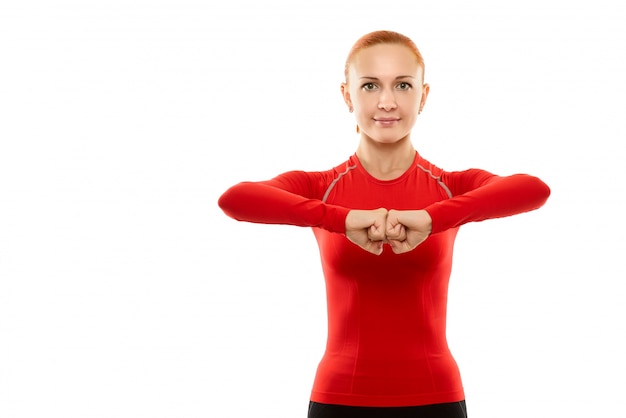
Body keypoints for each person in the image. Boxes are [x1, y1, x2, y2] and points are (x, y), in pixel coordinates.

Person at [217, 30, 550, 418]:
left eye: (403, 85)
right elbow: (235, 200)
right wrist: (340, 219)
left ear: (423, 96)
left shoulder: (449, 187)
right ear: (347, 95)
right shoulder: (321, 188)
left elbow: (534, 189)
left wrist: (433, 217)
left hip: (436, 396)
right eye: (371, 85)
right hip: (340, 396)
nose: (387, 102)